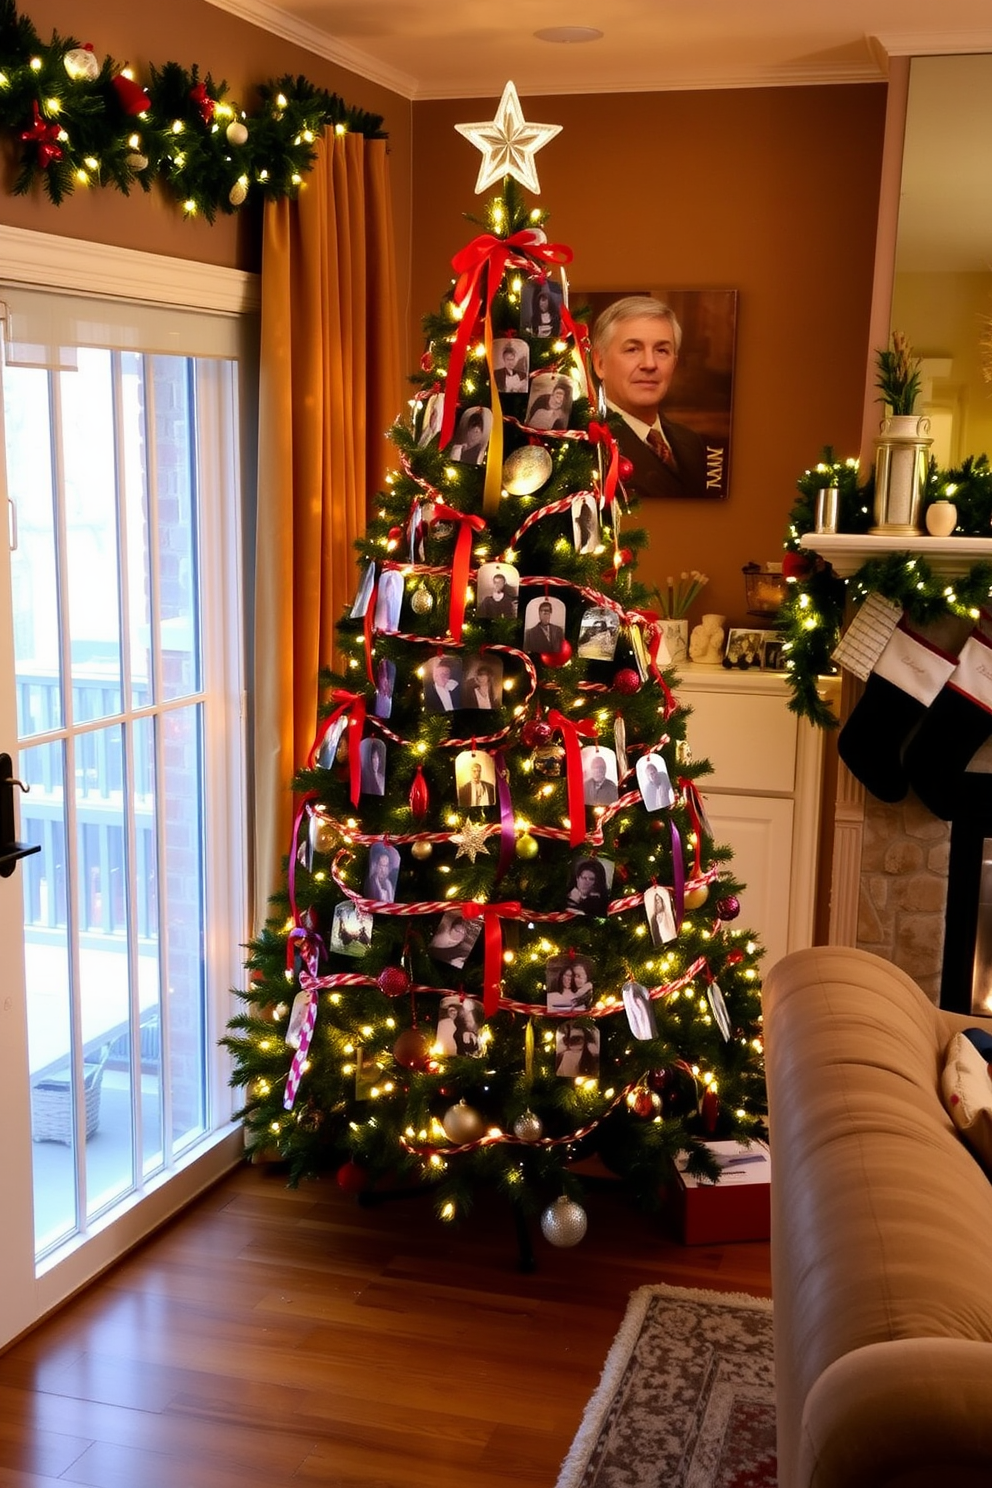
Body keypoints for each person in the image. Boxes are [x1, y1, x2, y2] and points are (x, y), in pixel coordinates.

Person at [592, 295, 708, 499]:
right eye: (633, 349)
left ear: (674, 363)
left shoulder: (691, 442)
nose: (649, 364)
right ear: (600, 363)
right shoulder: (588, 448)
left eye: (662, 350)